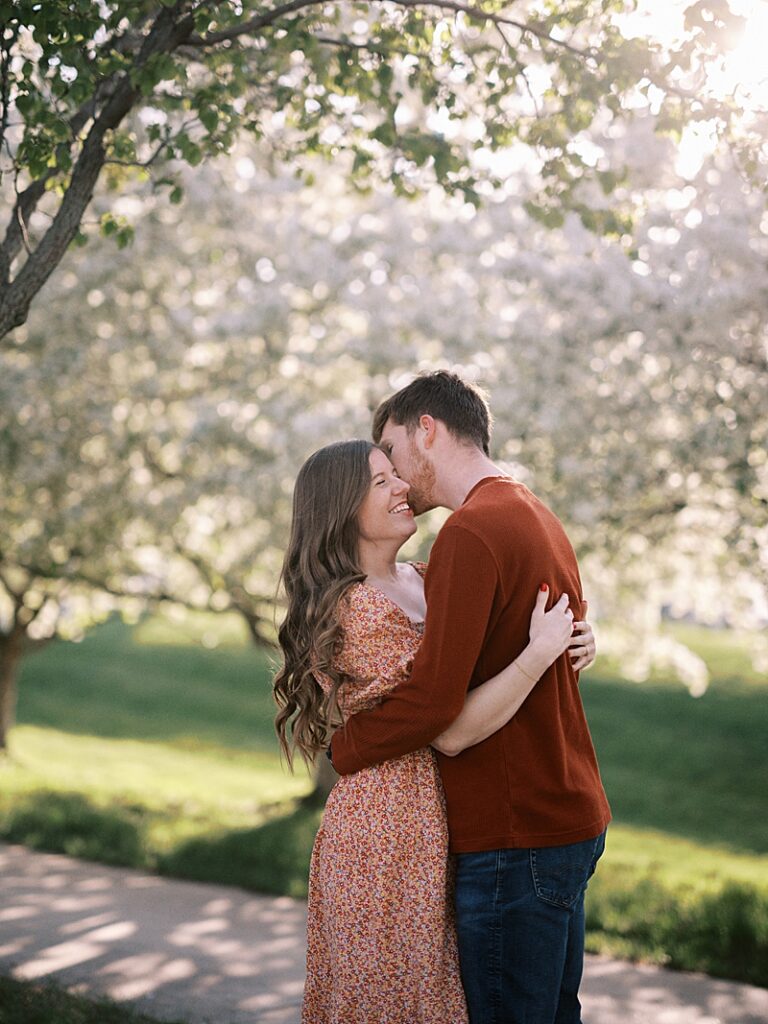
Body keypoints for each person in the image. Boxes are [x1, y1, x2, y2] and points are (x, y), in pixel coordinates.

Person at [274, 438, 597, 1024]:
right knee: (399, 1003)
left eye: (396, 474)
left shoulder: (424, 578)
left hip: (436, 818)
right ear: (341, 509)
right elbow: (440, 712)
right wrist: (538, 652)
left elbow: (483, 648)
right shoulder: (358, 610)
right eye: (381, 481)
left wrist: (576, 638)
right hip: (387, 827)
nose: (404, 487)